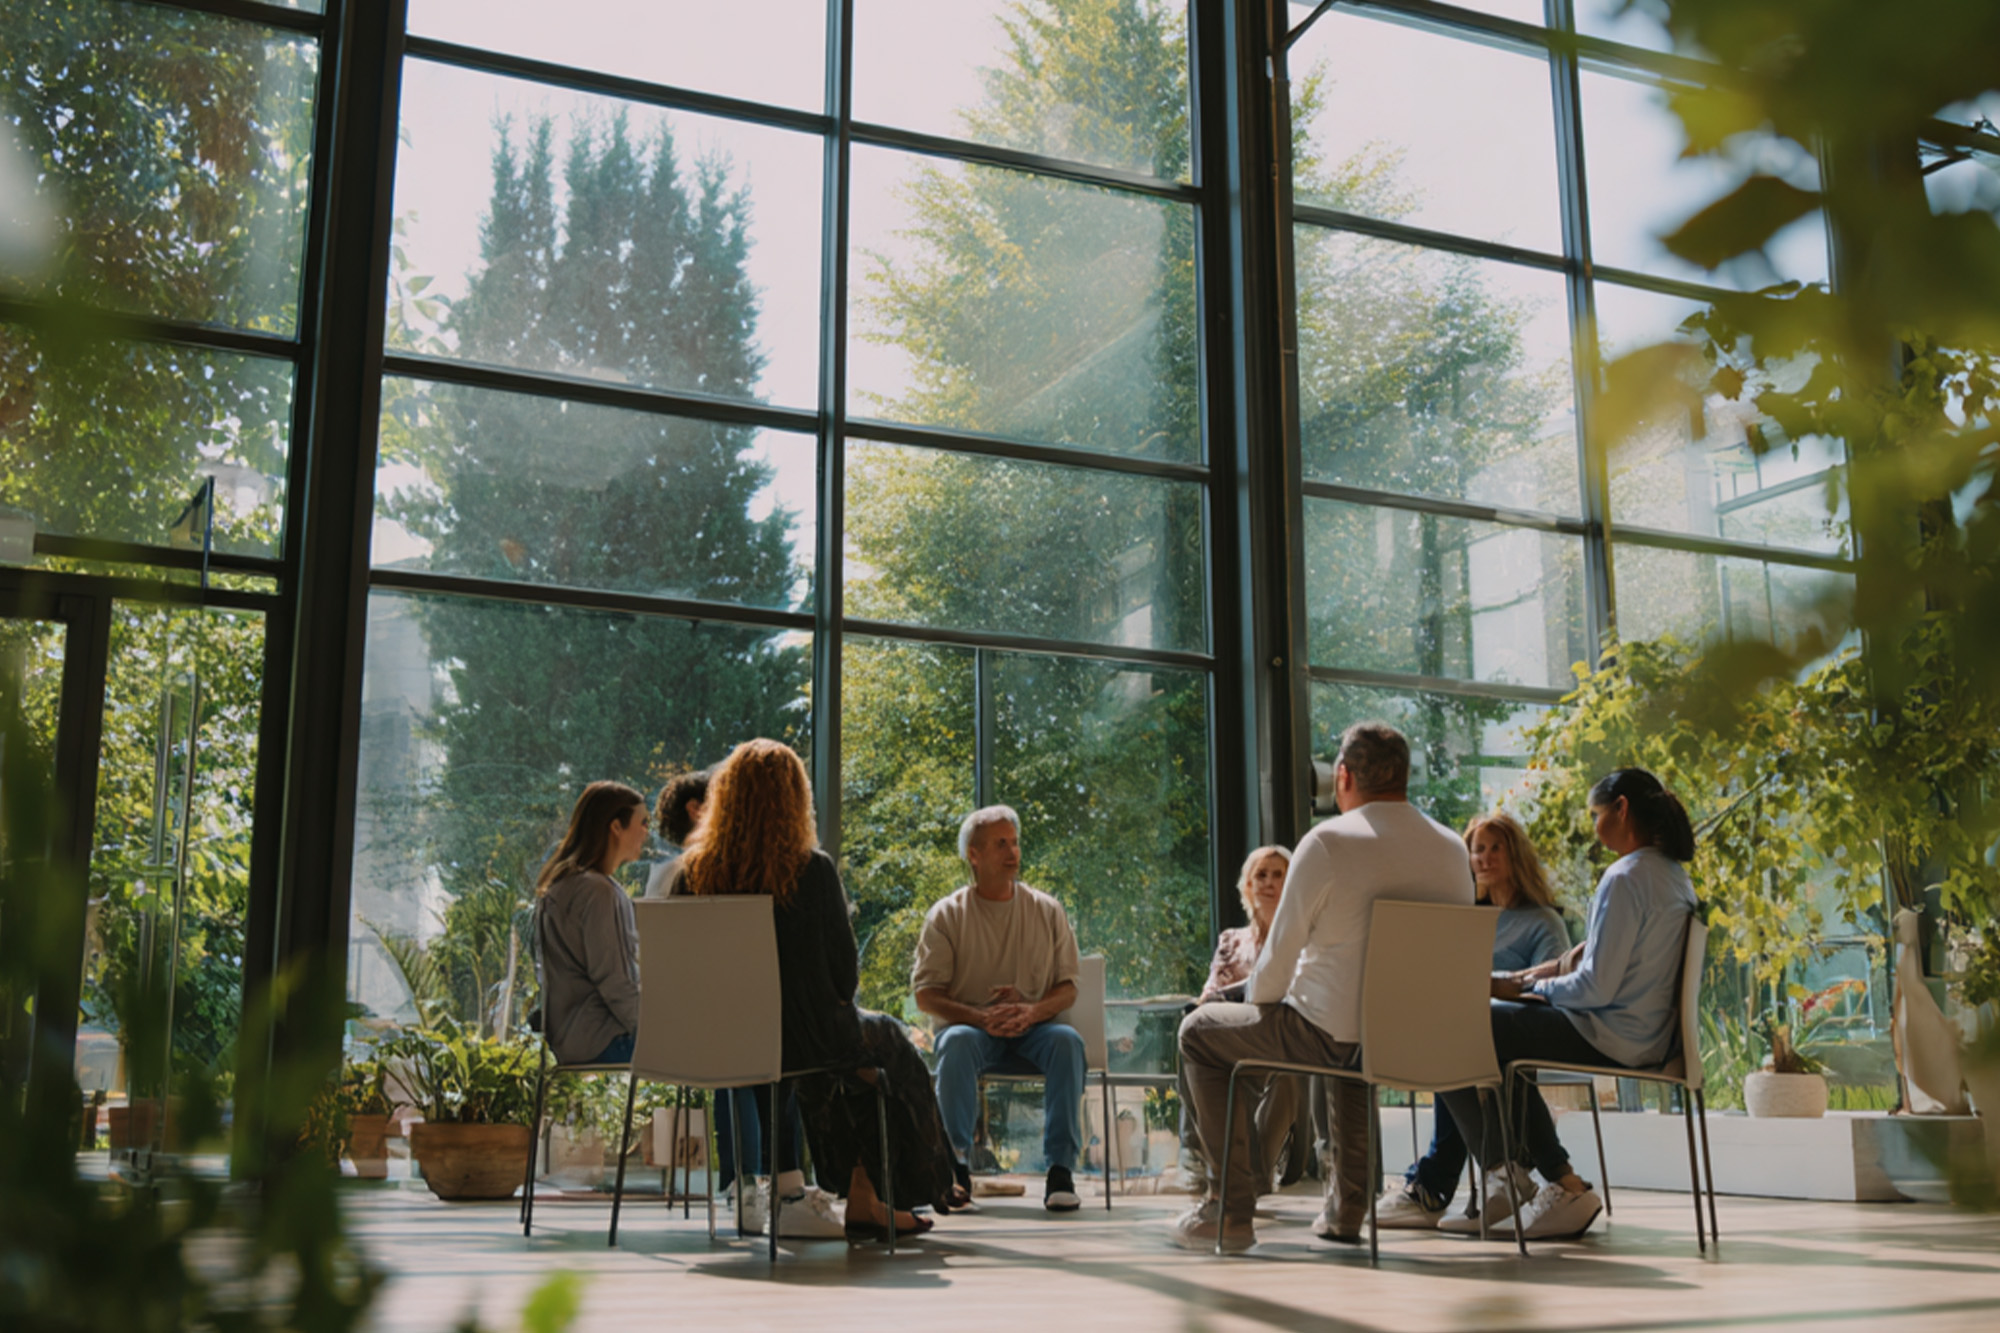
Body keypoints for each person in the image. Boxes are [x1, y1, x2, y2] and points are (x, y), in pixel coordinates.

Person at [1172, 722, 1474, 1253]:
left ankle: (1229, 1208)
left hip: (1328, 1033)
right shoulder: (1451, 848)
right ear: (1404, 776)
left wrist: (1255, 1008)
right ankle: (1345, 1210)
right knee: (1352, 1046)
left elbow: (1277, 963)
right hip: (1414, 1038)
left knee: (1200, 1030)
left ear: (1342, 777)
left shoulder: (1329, 841)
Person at [666, 738, 958, 1242]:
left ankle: (845, 1196)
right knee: (886, 1048)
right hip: (804, 1043)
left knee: (854, 1063)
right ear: (795, 800)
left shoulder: (691, 876)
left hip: (718, 1042)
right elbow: (845, 979)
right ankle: (921, 1185)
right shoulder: (812, 870)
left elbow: (685, 973)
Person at [1436, 767, 1699, 1242]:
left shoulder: (1624, 877)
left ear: (1621, 809)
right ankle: (1553, 1181)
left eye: (1597, 814)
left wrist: (1529, 991)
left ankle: (1510, 1172)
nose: (1595, 827)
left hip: (1614, 1033)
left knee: (1455, 1027)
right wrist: (1540, 977)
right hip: (1645, 1034)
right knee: (1502, 1034)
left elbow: (1597, 989)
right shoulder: (1672, 876)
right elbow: (1602, 970)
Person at [1377, 810, 1568, 1229]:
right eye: (1476, 849)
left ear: (1515, 854)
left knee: (1448, 1038)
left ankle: (1435, 1186)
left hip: (1512, 1035)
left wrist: (1490, 986)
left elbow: (1550, 983)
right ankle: (1494, 1173)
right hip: (1458, 1032)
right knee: (1441, 1031)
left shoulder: (1542, 921)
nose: (1483, 857)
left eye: (1494, 847)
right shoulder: (1463, 917)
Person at [913, 805, 1088, 1213]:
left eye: (1015, 842)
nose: (1013, 852)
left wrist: (1031, 1011)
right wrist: (979, 1017)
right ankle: (954, 1167)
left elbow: (1068, 988)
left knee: (1068, 1042)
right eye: (1000, 843)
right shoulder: (947, 915)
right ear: (973, 855)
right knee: (954, 1042)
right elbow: (926, 995)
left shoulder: (1047, 910)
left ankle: (1060, 1169)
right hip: (972, 1029)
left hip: (1037, 1028)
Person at [1177, 846, 1295, 1194]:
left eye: (1278, 875)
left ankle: (1250, 1175)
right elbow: (1212, 990)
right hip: (1234, 1041)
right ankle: (1210, 1162)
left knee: (1290, 1075)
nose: (1269, 883)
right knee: (1191, 1030)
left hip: (1279, 1038)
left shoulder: (1297, 939)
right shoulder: (1231, 940)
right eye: (1261, 875)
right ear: (1247, 885)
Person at [533, 781, 649, 1066]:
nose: (647, 832)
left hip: (565, 1039)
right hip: (601, 1040)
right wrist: (659, 1032)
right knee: (718, 1052)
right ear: (615, 827)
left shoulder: (562, 884)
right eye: (643, 822)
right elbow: (617, 983)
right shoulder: (599, 892)